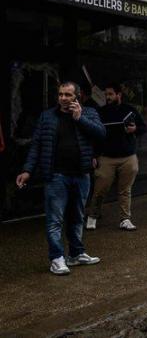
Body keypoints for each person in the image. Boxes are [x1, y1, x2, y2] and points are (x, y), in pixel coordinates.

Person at [16, 81, 106, 275]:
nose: (63, 98)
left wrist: (79, 118)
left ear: (77, 96)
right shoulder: (47, 117)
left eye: (68, 95)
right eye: (60, 95)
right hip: (57, 176)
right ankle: (57, 258)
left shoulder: (88, 113)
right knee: (55, 219)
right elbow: (37, 146)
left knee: (77, 217)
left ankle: (76, 254)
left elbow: (101, 134)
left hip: (81, 175)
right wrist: (27, 170)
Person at [86, 82, 146, 231]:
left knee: (125, 190)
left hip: (128, 157)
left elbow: (143, 128)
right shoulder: (100, 112)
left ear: (119, 95)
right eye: (106, 94)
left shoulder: (130, 110)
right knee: (100, 189)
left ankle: (125, 219)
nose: (108, 97)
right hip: (106, 157)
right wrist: (94, 155)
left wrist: (135, 129)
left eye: (111, 94)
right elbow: (94, 135)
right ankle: (93, 216)